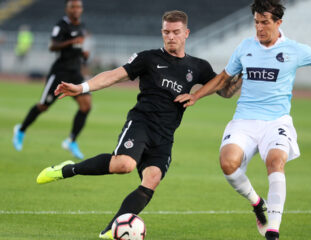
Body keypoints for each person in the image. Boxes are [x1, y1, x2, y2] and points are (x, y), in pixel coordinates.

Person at [174, 0, 311, 239]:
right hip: (244, 120)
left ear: (278, 23)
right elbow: (224, 77)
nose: (259, 28)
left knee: (276, 162)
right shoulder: (245, 47)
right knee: (227, 163)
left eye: (265, 22)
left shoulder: (295, 50)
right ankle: (257, 203)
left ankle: (272, 231)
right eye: (256, 22)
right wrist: (197, 96)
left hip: (277, 122)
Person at [36, 10, 218, 239]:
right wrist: (81, 87)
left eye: (176, 32)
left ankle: (110, 231)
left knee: (152, 179)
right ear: (162, 32)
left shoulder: (198, 66)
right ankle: (67, 169)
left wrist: (228, 79)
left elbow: (223, 87)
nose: (170, 37)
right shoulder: (148, 58)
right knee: (124, 164)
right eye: (166, 32)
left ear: (186, 33)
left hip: (166, 134)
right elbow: (113, 75)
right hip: (141, 123)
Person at [13, 0, 91, 159]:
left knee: (86, 106)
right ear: (67, 9)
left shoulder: (81, 26)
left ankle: (71, 140)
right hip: (60, 73)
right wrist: (71, 42)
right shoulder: (61, 25)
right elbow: (53, 46)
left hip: (75, 72)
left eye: (78, 7)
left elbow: (77, 47)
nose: (76, 9)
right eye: (73, 7)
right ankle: (20, 130)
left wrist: (82, 54)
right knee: (43, 106)